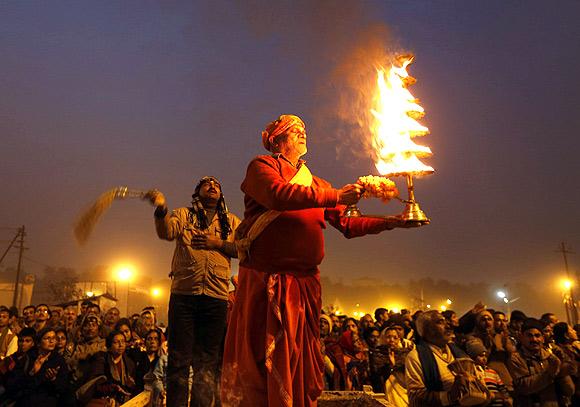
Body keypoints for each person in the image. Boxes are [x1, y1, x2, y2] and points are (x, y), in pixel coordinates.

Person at [221, 114, 411, 407]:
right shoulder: (262, 166)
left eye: (304, 130)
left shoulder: (316, 184)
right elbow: (277, 195)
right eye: (295, 131)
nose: (303, 134)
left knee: (299, 359)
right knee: (263, 358)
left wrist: (391, 222)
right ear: (278, 139)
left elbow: (347, 225)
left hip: (305, 286)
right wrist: (336, 194)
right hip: (266, 281)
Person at [147, 176, 240, 407]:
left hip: (216, 296)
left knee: (207, 361)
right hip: (184, 296)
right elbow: (166, 232)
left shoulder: (232, 221)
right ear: (196, 192)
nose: (212, 186)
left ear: (221, 194)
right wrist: (161, 209)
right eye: (206, 184)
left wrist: (217, 243)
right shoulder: (182, 214)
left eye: (217, 185)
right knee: (179, 359)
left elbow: (243, 249)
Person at [405, 310, 478, 407]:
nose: (448, 326)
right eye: (440, 322)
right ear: (425, 330)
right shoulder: (415, 357)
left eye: (446, 322)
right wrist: (450, 395)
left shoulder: (459, 353)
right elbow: (415, 399)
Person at [508, 318, 575, 407]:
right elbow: (524, 387)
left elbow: (569, 390)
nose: (534, 339)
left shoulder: (551, 357)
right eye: (529, 335)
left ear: (543, 338)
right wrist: (550, 373)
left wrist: (562, 370)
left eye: (537, 335)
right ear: (521, 337)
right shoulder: (516, 359)